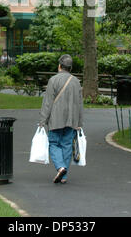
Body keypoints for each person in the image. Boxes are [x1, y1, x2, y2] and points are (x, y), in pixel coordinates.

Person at [39, 54, 83, 184]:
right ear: (70, 67)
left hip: (56, 118)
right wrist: (79, 123)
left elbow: (48, 102)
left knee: (53, 143)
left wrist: (42, 120)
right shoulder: (76, 81)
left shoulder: (53, 80)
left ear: (59, 66)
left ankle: (60, 167)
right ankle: (63, 176)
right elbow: (80, 104)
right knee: (67, 145)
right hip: (72, 119)